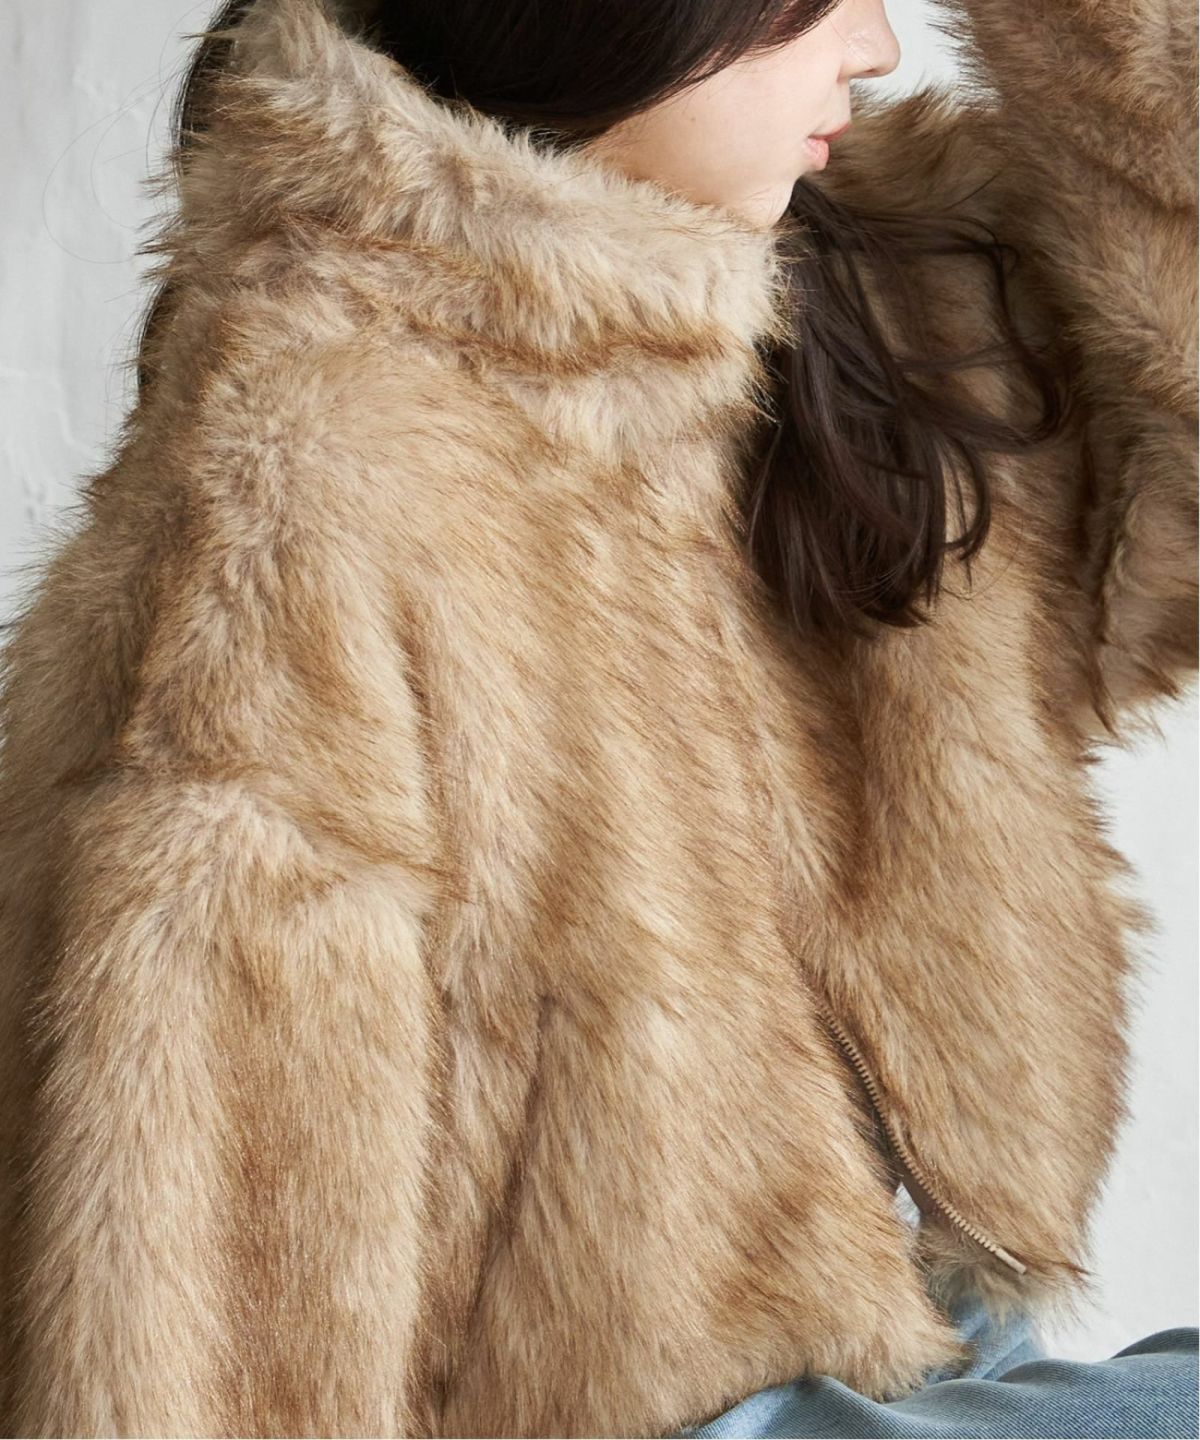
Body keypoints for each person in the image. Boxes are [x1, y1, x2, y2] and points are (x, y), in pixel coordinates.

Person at [0, 0, 1195, 1434]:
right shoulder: (307, 479)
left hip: (943, 1333)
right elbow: (202, 1246)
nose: (879, 44)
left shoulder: (879, 290)